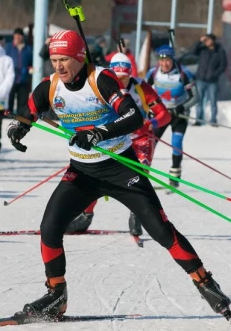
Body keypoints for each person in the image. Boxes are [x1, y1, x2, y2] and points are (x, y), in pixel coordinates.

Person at [6, 30, 231, 322]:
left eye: (63, 60)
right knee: (50, 227)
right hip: (82, 172)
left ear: (78, 57)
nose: (58, 66)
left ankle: (206, 283)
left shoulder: (100, 79)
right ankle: (56, 295)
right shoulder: (50, 86)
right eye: (53, 60)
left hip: (121, 168)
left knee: (161, 230)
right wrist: (18, 128)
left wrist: (99, 133)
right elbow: (29, 112)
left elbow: (133, 117)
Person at [67, 52, 171, 236]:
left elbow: (165, 115)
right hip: (111, 139)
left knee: (138, 176)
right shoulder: (102, 85)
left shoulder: (140, 87)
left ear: (130, 74)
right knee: (93, 177)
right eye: (118, 78)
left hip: (140, 139)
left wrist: (150, 123)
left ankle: (136, 215)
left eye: (125, 78)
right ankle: (85, 215)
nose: (121, 83)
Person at [146, 45, 199, 188]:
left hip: (179, 114)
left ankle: (174, 177)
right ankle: (143, 175)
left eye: (168, 60)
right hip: (160, 114)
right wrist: (150, 107)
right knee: (150, 144)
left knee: (176, 143)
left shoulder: (184, 73)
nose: (165, 64)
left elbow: (195, 96)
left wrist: (181, 107)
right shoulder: (153, 72)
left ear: (173, 59)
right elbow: (143, 92)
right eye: (162, 61)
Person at [190, 33, 227, 125]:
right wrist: (199, 41)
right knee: (199, 100)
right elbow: (192, 51)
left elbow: (223, 65)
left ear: (213, 40)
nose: (207, 42)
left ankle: (213, 120)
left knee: (213, 101)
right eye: (205, 40)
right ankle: (199, 119)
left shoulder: (220, 51)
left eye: (208, 40)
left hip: (212, 81)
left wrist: (215, 74)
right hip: (201, 79)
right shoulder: (202, 50)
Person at [5, 27, 33, 117]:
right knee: (9, 99)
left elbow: (31, 61)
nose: (17, 37)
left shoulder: (28, 49)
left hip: (23, 79)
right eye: (16, 36)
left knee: (23, 101)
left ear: (22, 37)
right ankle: (8, 115)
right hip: (11, 78)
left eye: (19, 36)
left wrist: (30, 68)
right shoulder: (8, 47)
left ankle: (20, 118)